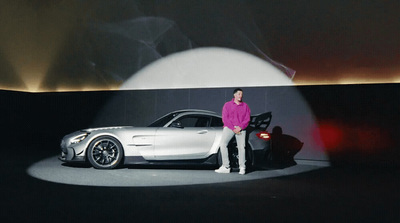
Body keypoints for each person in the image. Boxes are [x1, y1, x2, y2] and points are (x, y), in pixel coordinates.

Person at [215, 88, 251, 175]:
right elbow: (225, 118)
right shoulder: (227, 105)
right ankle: (226, 166)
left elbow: (247, 119)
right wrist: (233, 128)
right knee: (223, 144)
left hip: (241, 129)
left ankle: (242, 168)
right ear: (234, 95)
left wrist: (240, 127)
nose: (240, 96)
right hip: (229, 127)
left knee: (241, 147)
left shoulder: (245, 106)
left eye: (241, 94)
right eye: (239, 94)